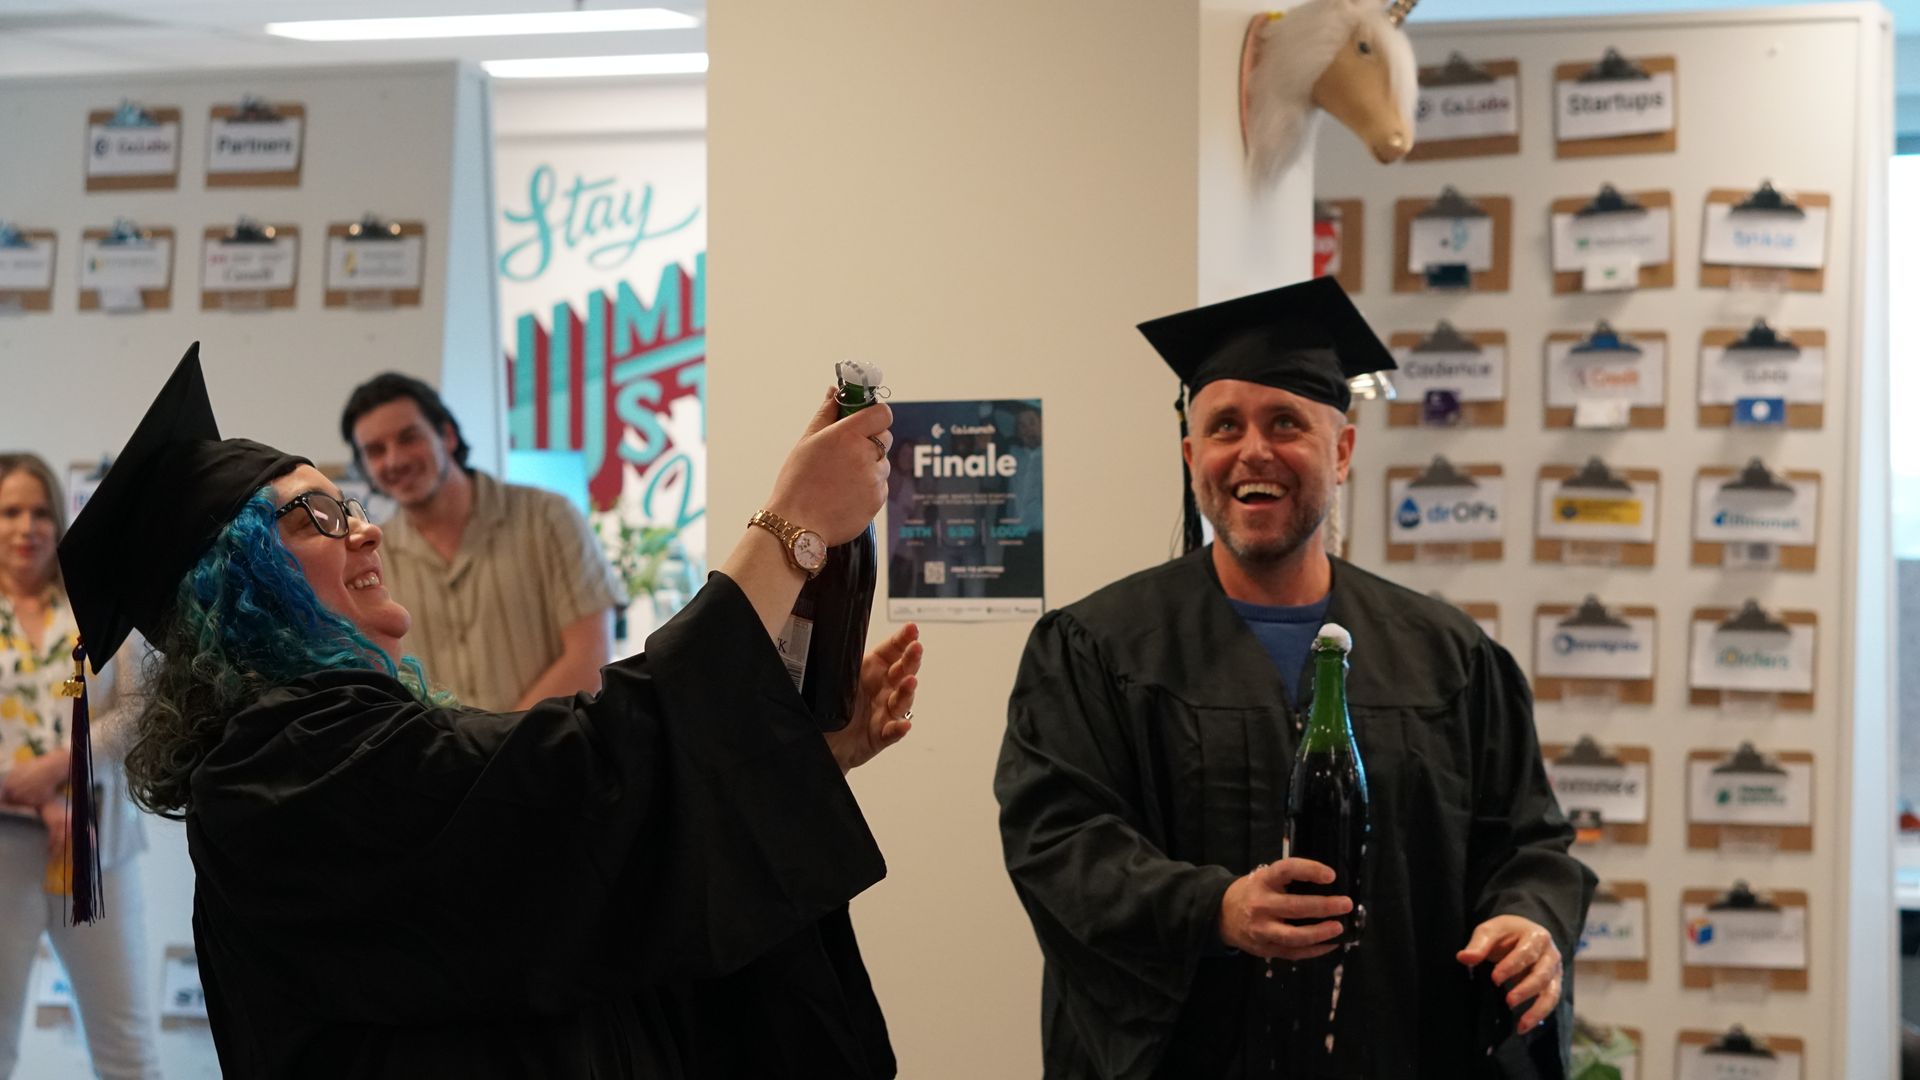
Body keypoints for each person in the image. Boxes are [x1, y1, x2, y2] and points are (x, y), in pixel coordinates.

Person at [59, 344, 921, 1078]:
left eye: (351, 504)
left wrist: (808, 761)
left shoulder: (335, 737)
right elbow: (576, 787)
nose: (366, 529)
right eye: (317, 515)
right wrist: (788, 531)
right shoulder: (279, 772)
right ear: (239, 587)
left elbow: (578, 881)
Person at [993, 278, 1594, 1079]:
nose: (1253, 450)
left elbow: (1526, 839)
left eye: (1287, 423)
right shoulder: (1096, 650)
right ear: (1191, 456)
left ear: (1342, 451)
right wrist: (1214, 907)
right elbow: (1059, 843)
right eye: (1224, 427)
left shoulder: (1446, 656)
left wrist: (1530, 919)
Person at [0, 453, 161, 1080]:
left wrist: (64, 768)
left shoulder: (96, 605)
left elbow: (141, 707)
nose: (27, 526)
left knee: (126, 1044)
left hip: (98, 848)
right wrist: (35, 793)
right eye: (10, 511)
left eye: (41, 511)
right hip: (5, 848)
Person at [339, 372, 627, 711]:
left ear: (446, 435)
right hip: (444, 761)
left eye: (409, 438)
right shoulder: (372, 557)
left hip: (552, 754)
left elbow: (590, 655)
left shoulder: (550, 517)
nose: (394, 460)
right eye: (375, 451)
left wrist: (503, 750)